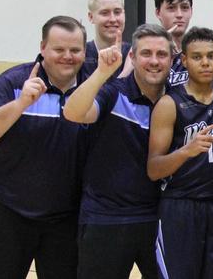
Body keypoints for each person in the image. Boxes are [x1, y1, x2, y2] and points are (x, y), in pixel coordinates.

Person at [64, 24, 173, 279]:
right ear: (132, 57)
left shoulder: (176, 101)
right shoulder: (114, 93)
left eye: (161, 55)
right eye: (146, 53)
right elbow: (73, 112)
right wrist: (102, 73)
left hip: (158, 220)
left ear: (171, 59)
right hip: (106, 219)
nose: (154, 61)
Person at [0, 16, 86, 278]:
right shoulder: (13, 82)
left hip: (66, 219)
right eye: (59, 49)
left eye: (75, 50)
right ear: (43, 48)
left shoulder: (91, 86)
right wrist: (21, 103)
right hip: (10, 212)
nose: (67, 56)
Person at [148, 27, 213, 279]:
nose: (205, 62)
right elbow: (154, 169)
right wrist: (186, 151)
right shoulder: (169, 104)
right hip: (180, 207)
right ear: (184, 60)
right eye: (197, 57)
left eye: (211, 56)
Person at [84, 0, 132, 77]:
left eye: (117, 12)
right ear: (91, 17)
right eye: (105, 13)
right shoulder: (80, 56)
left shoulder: (135, 56)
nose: (113, 19)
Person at [154, 0, 194, 87]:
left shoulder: (199, 50)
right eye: (171, 8)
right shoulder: (147, 52)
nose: (179, 15)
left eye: (185, 7)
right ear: (158, 13)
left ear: (191, 11)